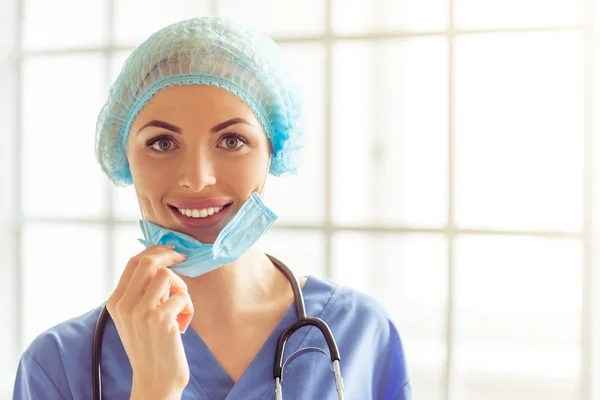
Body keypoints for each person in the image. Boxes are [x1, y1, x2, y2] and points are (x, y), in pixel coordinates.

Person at [13, 17, 412, 400]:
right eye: (162, 144)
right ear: (124, 157)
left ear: (274, 148)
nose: (197, 178)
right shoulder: (59, 366)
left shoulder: (362, 333)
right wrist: (154, 390)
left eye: (232, 141)